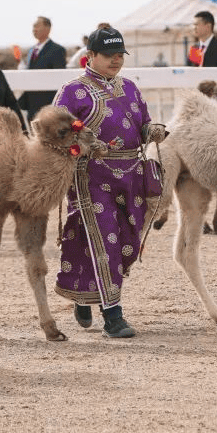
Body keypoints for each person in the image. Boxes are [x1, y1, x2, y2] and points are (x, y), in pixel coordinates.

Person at [52, 27, 166, 338]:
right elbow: (56, 132)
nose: (116, 60)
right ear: (91, 56)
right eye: (109, 55)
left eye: (120, 55)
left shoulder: (129, 88)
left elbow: (142, 123)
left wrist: (152, 130)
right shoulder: (72, 91)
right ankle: (113, 316)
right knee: (104, 241)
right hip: (92, 177)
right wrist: (83, 142)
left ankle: (84, 291)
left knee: (128, 241)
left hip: (132, 176)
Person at [17, 16, 68, 122]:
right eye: (33, 27)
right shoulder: (32, 50)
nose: (34, 29)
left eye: (37, 26)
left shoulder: (57, 50)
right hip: (31, 104)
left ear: (48, 28)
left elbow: (59, 79)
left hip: (48, 105)